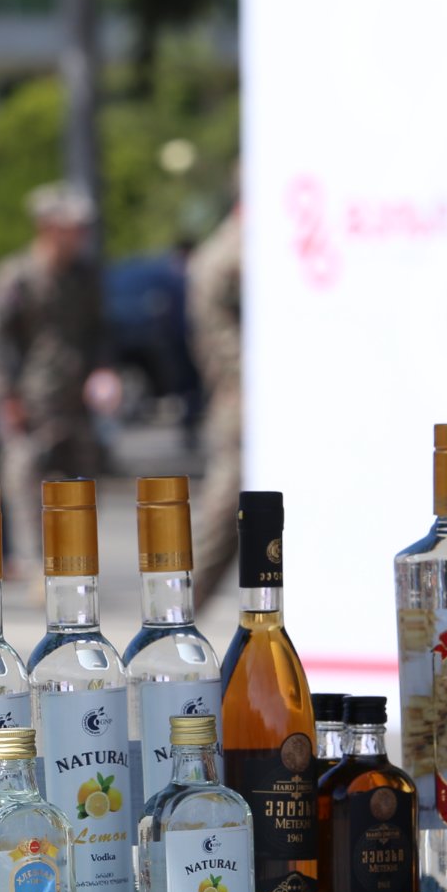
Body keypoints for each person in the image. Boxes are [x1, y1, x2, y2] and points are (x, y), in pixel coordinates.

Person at [0, 183, 115, 572]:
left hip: (76, 404)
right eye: (73, 228)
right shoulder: (17, 276)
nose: (82, 235)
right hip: (30, 404)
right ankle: (38, 568)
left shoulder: (85, 277)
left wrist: (103, 370)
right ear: (49, 228)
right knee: (27, 484)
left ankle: (75, 570)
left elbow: (99, 332)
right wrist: (5, 395)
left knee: (80, 490)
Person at [186, 192, 241, 608]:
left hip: (244, 398)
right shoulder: (234, 250)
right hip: (245, 403)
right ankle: (176, 615)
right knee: (226, 511)